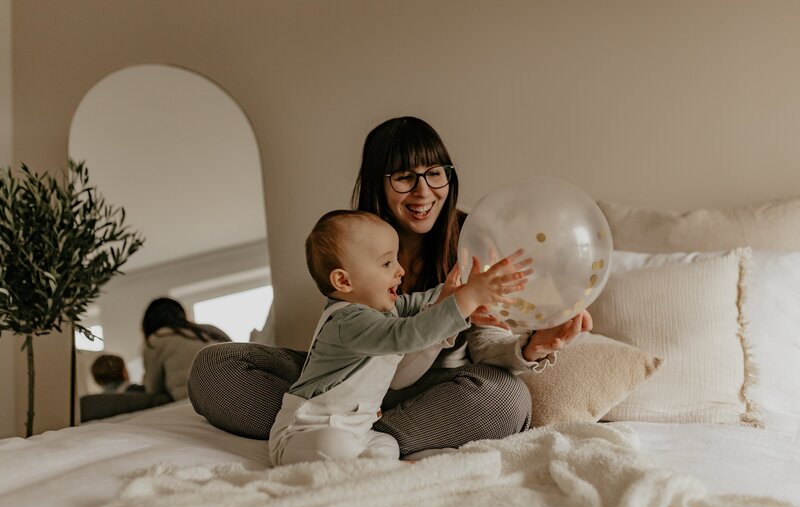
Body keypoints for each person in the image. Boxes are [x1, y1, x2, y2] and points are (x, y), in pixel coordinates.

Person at [188, 116, 589, 455]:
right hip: (351, 381)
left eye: (435, 173)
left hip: (429, 389)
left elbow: (484, 337)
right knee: (214, 366)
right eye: (404, 177)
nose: (423, 191)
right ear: (379, 183)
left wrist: (529, 347)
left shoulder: (471, 238)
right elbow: (354, 339)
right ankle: (321, 430)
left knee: (507, 400)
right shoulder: (355, 238)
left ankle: (368, 441)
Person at [269, 210, 532, 465]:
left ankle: (377, 467)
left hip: (357, 430)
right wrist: (468, 298)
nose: (400, 270)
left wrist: (456, 293)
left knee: (386, 444)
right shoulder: (347, 322)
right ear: (343, 281)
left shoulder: (388, 308)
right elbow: (407, 334)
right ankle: (365, 467)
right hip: (306, 431)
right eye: (387, 263)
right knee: (331, 445)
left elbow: (425, 303)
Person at [142, 297, 231, 401]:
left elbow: (153, 390)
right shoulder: (208, 329)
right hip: (233, 384)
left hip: (194, 398)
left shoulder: (155, 340)